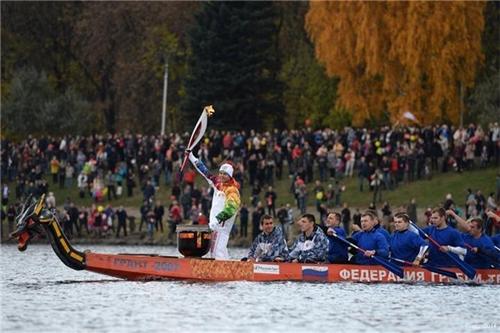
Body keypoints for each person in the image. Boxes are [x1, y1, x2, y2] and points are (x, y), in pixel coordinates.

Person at [187, 150, 241, 260]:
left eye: (225, 174)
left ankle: (221, 275)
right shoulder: (217, 184)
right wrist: (191, 157)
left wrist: (218, 220)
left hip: (221, 228)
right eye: (221, 173)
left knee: (217, 254)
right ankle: (231, 272)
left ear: (230, 176)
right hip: (214, 226)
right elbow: (204, 171)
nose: (222, 175)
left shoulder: (232, 190)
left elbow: (231, 208)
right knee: (216, 253)